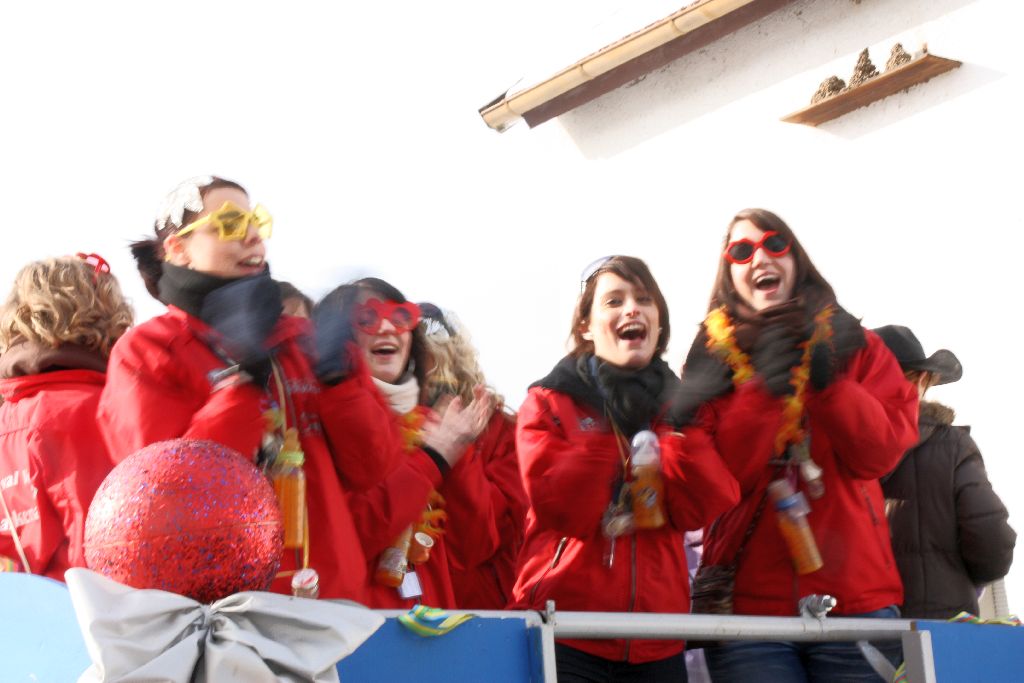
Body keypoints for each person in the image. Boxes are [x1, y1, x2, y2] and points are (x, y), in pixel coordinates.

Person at [98, 176, 396, 601]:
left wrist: (341, 382)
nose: (253, 236)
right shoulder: (149, 350)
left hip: (332, 600)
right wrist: (242, 382)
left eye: (256, 221)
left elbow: (373, 469)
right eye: (230, 223)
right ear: (178, 249)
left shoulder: (301, 340)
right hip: (228, 611)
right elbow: (164, 499)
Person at [679, 209, 918, 681]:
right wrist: (762, 395)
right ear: (729, 274)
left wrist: (832, 390)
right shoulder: (707, 360)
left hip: (856, 599)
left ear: (796, 259)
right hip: (750, 612)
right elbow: (713, 485)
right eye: (741, 251)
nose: (759, 258)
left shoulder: (854, 343)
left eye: (774, 243)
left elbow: (880, 455)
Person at [509, 255, 740, 682]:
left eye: (644, 299)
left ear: (659, 323)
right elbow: (561, 509)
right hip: (565, 634)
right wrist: (606, 427)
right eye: (614, 301)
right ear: (586, 326)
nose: (632, 308)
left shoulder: (678, 407)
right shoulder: (547, 402)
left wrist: (681, 429)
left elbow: (704, 506)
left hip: (657, 640)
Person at [313, 279, 491, 608]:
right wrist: (433, 459)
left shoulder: (433, 424)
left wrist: (458, 452)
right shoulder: (320, 422)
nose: (386, 328)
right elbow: (349, 536)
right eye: (366, 317)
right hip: (360, 622)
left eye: (400, 317)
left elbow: (474, 548)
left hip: (430, 623)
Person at [0, 254, 133, 579]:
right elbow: (105, 546)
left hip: (21, 606)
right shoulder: (89, 410)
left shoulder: (8, 415)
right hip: (84, 604)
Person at [874, 324, 1015, 619]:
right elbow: (992, 538)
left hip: (856, 625)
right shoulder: (953, 446)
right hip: (940, 623)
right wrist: (965, 578)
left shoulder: (834, 445)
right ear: (923, 379)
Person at [418, 302, 528, 610]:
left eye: (437, 374)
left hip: (482, 614)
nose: (426, 386)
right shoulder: (388, 427)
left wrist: (454, 445)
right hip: (402, 604)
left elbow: (477, 543)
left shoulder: (503, 432)